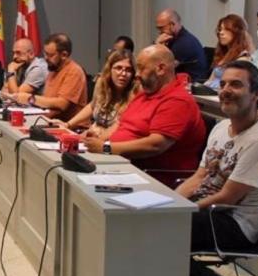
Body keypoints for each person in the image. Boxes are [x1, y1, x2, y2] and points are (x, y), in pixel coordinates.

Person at [175, 61, 258, 276]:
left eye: (236, 85)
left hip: (234, 222)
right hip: (209, 210)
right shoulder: (222, 127)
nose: (225, 90)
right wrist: (170, 202)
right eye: (222, 84)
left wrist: (180, 212)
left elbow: (227, 198)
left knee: (162, 229)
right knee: (153, 220)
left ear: (256, 94)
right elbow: (199, 176)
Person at [85, 44, 206, 187]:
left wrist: (106, 148)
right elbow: (121, 123)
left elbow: (155, 145)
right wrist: (96, 141)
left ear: (160, 69)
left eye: (141, 68)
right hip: (122, 165)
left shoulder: (178, 100)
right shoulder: (145, 94)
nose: (136, 74)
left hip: (153, 178)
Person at [53, 48, 138, 140]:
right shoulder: (102, 82)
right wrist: (68, 124)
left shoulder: (135, 94)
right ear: (109, 69)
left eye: (128, 70)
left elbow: (121, 126)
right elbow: (93, 105)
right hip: (90, 137)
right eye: (118, 68)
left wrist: (97, 139)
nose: (123, 73)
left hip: (110, 143)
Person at [29, 33, 88, 121]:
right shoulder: (53, 69)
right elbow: (49, 103)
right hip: (51, 121)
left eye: (50, 55)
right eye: (45, 53)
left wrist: (30, 99)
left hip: (72, 128)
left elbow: (61, 104)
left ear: (64, 55)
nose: (46, 58)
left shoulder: (74, 71)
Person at [155, 9, 207, 82]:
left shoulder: (185, 43)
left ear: (172, 25)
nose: (159, 32)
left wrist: (158, 46)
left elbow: (164, 68)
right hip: (180, 82)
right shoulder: (173, 39)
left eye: (161, 28)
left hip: (191, 86)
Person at [203, 14, 253, 90]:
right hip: (209, 95)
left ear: (237, 32)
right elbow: (210, 80)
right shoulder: (223, 54)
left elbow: (234, 87)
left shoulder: (243, 58)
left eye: (226, 29)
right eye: (220, 29)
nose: (221, 33)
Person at [3, 38, 47, 103]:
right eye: (14, 53)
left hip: (41, 110)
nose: (14, 57)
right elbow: (4, 93)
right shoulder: (20, 65)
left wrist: (11, 71)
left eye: (18, 53)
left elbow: (15, 96)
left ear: (31, 54)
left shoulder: (38, 69)